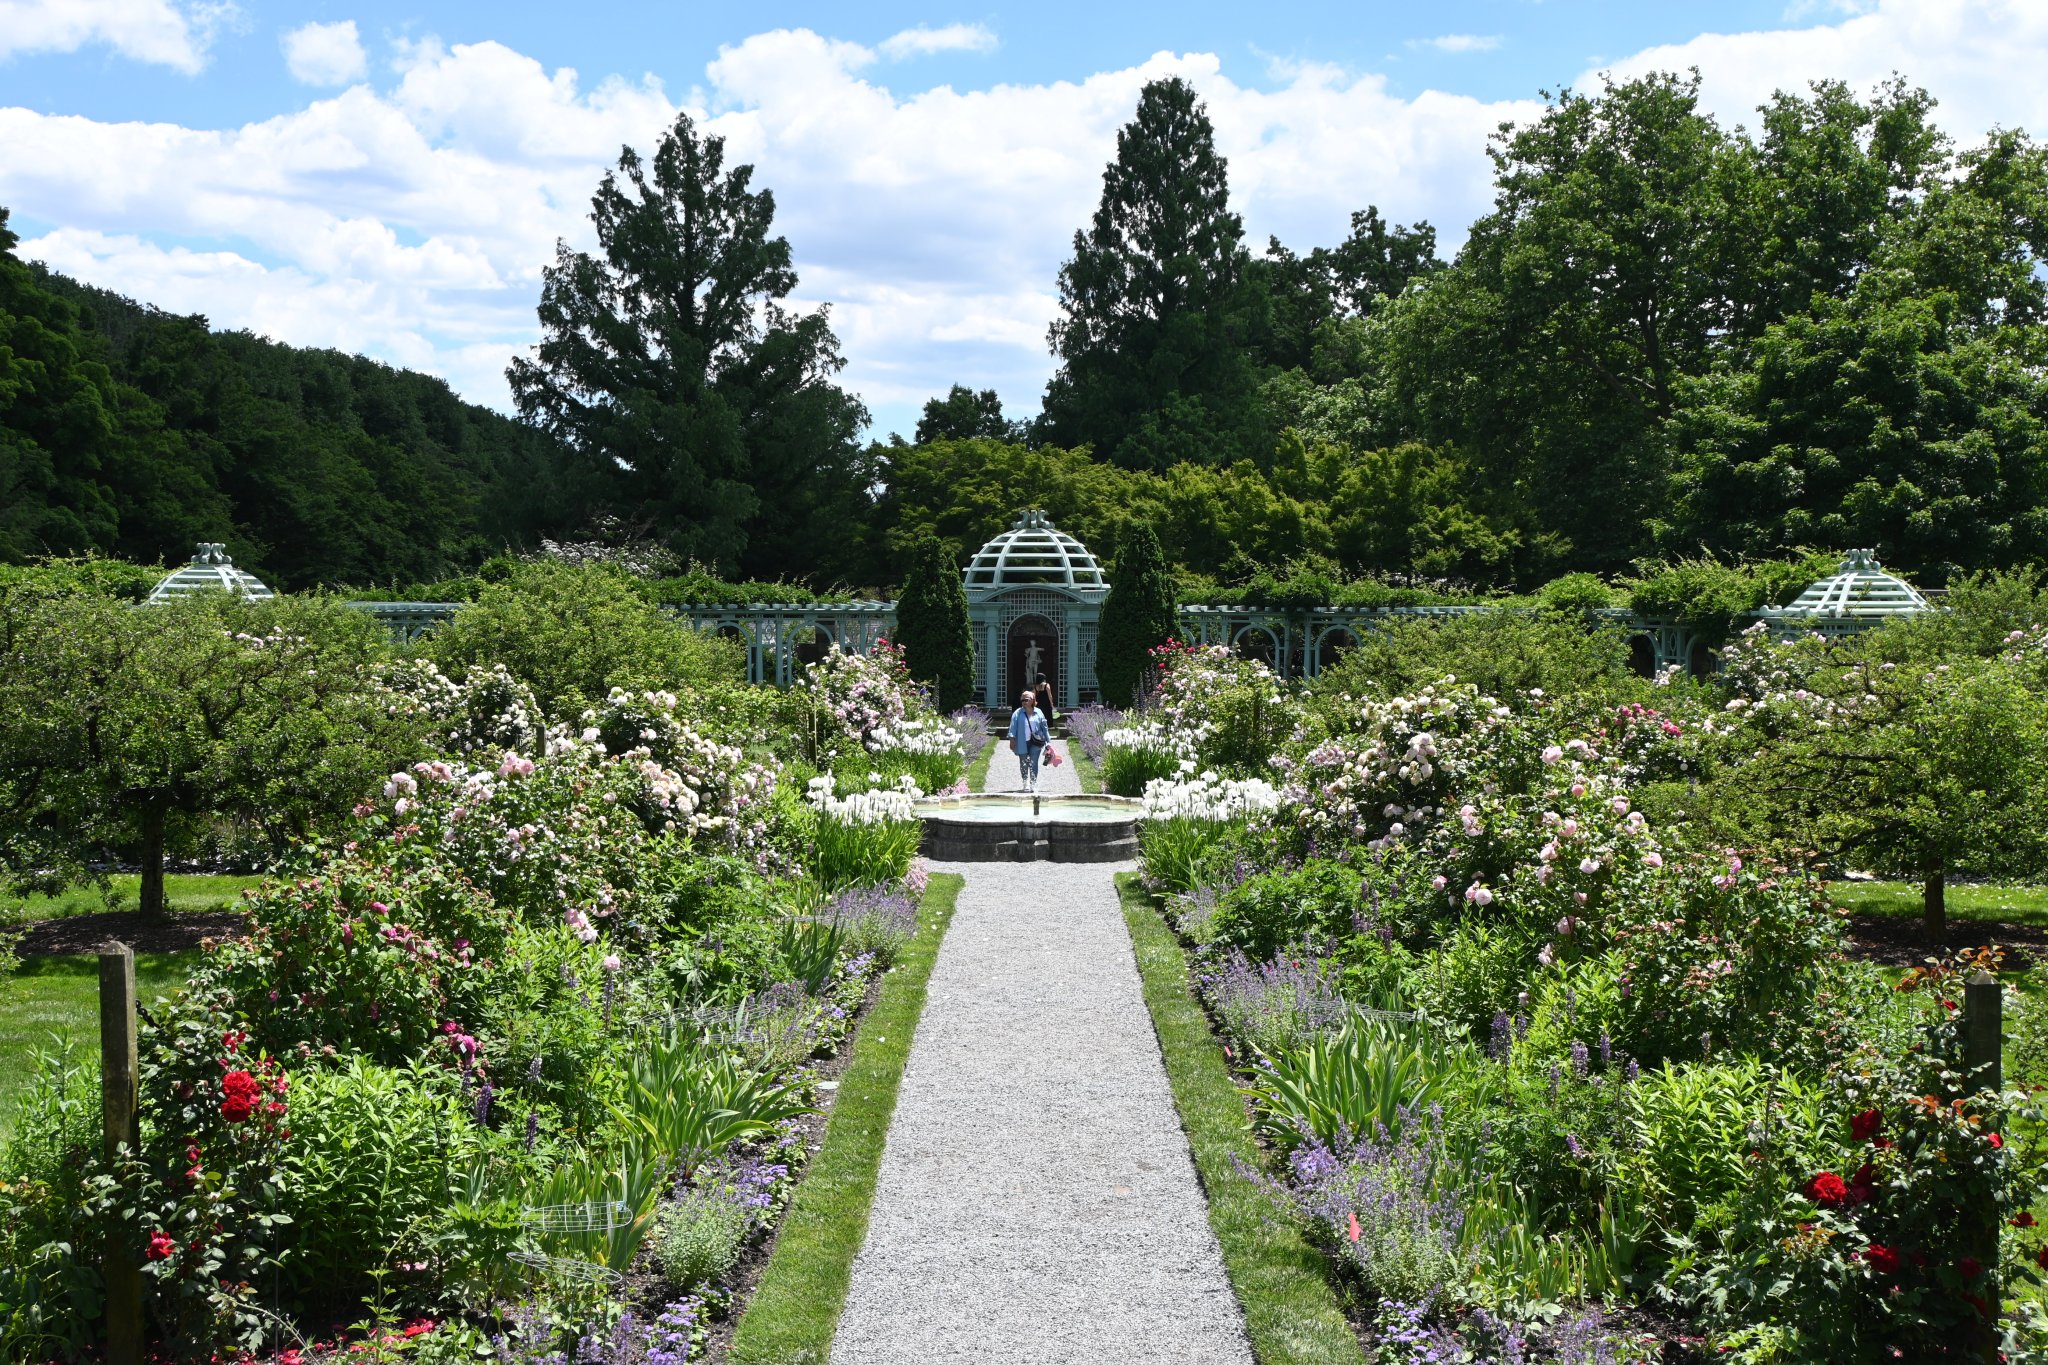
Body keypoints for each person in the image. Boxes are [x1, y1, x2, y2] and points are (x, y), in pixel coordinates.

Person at [1008, 688, 1050, 792]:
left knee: (1033, 762)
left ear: (1032, 700)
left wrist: (1048, 743)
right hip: (1022, 741)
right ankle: (1025, 782)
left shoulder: (1039, 712)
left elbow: (1045, 728)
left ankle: (1033, 783)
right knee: (1023, 762)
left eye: (1026, 700)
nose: (1023, 702)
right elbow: (1012, 727)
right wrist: (1012, 739)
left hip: (1036, 741)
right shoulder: (1017, 713)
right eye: (1022, 700)